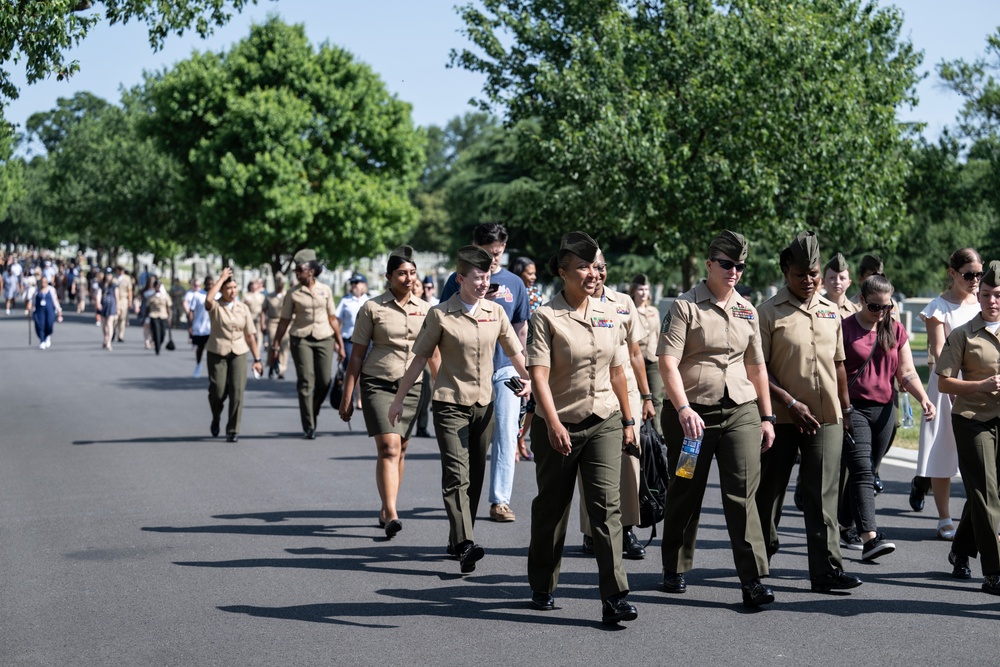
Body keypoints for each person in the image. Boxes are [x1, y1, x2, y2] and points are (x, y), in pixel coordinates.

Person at [389, 246, 531, 574]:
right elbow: (420, 359)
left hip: (484, 405)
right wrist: (399, 398)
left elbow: (515, 353)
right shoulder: (440, 314)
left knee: (476, 476)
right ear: (460, 279)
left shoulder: (495, 313)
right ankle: (466, 543)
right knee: (457, 475)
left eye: (487, 278)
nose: (484, 283)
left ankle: (456, 537)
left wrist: (530, 380)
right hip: (449, 404)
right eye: (478, 278)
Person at [657, 230, 776, 608]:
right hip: (692, 417)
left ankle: (753, 580)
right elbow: (667, 362)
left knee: (742, 495)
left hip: (739, 411)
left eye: (739, 266)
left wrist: (767, 416)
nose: (734, 271)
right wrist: (682, 409)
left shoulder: (747, 309)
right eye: (726, 264)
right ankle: (674, 566)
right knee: (686, 490)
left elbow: (757, 366)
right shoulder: (685, 307)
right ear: (709, 264)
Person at [525, 231, 638, 625]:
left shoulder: (611, 312)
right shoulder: (546, 317)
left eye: (595, 266)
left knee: (606, 509)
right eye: (583, 267)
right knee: (552, 509)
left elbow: (618, 371)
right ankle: (542, 582)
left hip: (603, 419)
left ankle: (615, 596)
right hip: (558, 424)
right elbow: (538, 375)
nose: (592, 274)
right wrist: (552, 420)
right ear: (563, 272)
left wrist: (627, 421)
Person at [754, 232, 862, 593]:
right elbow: (758, 370)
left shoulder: (831, 310)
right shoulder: (767, 313)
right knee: (769, 493)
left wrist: (845, 409)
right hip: (781, 418)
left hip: (825, 416)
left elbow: (839, 364)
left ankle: (826, 570)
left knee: (822, 494)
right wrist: (788, 403)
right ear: (786, 270)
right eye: (801, 274)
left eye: (814, 273)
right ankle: (758, 560)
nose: (809, 281)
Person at [339, 246, 434, 538]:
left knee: (402, 448)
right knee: (389, 447)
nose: (408, 279)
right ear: (389, 277)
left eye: (412, 273)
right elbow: (356, 356)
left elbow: (434, 353)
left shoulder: (427, 309)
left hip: (413, 386)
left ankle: (386, 506)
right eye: (402, 273)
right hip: (377, 382)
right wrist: (347, 395)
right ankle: (392, 513)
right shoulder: (372, 308)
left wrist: (443, 387)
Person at [841, 273, 937, 558]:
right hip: (852, 408)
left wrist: (924, 399)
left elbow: (906, 372)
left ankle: (842, 523)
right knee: (861, 472)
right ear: (861, 300)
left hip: (885, 410)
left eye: (886, 307)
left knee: (866, 470)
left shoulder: (894, 330)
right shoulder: (844, 329)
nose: (881, 313)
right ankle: (870, 538)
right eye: (874, 307)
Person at [439, 222, 530, 524]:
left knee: (506, 434)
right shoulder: (458, 279)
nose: (494, 260)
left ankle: (500, 502)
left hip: (504, 369)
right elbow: (443, 322)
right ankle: (464, 496)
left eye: (499, 253)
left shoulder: (515, 283)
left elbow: (520, 326)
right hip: (466, 373)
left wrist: (524, 367)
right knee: (469, 445)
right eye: (489, 253)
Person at [578, 255, 655, 560]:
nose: (599, 272)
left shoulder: (623, 302)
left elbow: (636, 353)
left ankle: (626, 530)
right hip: (591, 394)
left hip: (627, 394)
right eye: (592, 266)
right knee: (593, 465)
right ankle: (590, 532)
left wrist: (648, 397)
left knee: (629, 463)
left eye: (603, 266)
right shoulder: (574, 303)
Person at [937, 260, 1000, 595]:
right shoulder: (963, 334)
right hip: (972, 420)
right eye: (987, 294)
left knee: (993, 494)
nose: (992, 301)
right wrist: (980, 386)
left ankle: (961, 549)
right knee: (984, 492)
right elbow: (944, 382)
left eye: (998, 295)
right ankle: (994, 572)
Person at [911, 248, 984, 540]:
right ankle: (944, 517)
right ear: (952, 273)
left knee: (982, 456)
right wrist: (954, 387)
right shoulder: (938, 307)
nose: (975, 280)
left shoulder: (986, 303)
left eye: (979, 275)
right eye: (969, 275)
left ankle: (982, 517)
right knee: (942, 452)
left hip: (983, 384)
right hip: (947, 384)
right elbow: (940, 351)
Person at [268, 249, 346, 439]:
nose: (296, 273)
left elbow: (332, 318)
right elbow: (284, 321)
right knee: (305, 380)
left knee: (324, 381)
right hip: (301, 338)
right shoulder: (293, 293)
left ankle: (312, 408)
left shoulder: (325, 290)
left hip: (324, 338)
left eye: (299, 270)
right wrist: (275, 345)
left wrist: (340, 343)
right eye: (295, 271)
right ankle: (308, 425)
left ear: (310, 271)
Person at [203, 267, 263, 442]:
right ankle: (216, 417)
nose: (232, 291)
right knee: (218, 391)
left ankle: (232, 430)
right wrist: (221, 278)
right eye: (228, 288)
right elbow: (208, 299)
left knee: (237, 391)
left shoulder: (243, 308)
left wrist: (257, 359)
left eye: (235, 288)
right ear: (221, 289)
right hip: (217, 351)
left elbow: (250, 335)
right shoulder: (216, 306)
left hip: (239, 351)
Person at [511, 256, 542, 460]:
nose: (533, 277)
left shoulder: (536, 295)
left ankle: (521, 438)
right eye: (529, 273)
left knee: (531, 403)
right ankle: (511, 441)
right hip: (511, 352)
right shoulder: (509, 291)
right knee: (515, 398)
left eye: (534, 273)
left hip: (532, 351)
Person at [630, 273, 664, 436]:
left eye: (646, 289)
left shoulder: (653, 311)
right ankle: (636, 431)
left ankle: (657, 433)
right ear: (634, 291)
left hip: (652, 359)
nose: (644, 293)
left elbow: (657, 334)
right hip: (636, 359)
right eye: (640, 289)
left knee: (656, 398)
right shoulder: (630, 310)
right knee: (635, 398)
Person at [336, 272, 371, 410]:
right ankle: (350, 397)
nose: (354, 286)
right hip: (349, 340)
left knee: (365, 370)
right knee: (353, 368)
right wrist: (337, 343)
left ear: (364, 285)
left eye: (357, 283)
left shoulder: (370, 301)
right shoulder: (345, 300)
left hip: (367, 341)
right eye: (352, 283)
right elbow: (336, 321)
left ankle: (360, 398)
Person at [264, 274, 290, 379]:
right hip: (272, 321)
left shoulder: (287, 295)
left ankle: (281, 369)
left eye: (281, 284)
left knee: (284, 346)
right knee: (272, 345)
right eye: (278, 284)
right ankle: (271, 364)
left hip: (284, 321)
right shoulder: (270, 296)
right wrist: (262, 323)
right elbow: (263, 310)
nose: (279, 286)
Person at [188, 276, 214, 378]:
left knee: (212, 350)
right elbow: (191, 311)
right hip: (200, 327)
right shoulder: (198, 295)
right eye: (208, 284)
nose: (210, 286)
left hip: (212, 328)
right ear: (205, 284)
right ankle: (198, 365)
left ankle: (211, 369)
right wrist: (190, 325)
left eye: (211, 284)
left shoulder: (217, 295)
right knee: (200, 348)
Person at [30, 275, 62, 349]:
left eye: (45, 282)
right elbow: (33, 301)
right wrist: (30, 309)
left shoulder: (51, 289)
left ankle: (47, 336)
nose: (44, 283)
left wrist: (59, 310)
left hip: (49, 310)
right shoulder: (36, 290)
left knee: (49, 324)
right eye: (42, 282)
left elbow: (55, 300)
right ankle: (42, 340)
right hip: (39, 311)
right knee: (40, 325)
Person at [144, 277, 172, 355]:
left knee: (162, 332)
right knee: (156, 331)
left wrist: (169, 316)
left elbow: (168, 307)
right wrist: (145, 317)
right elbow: (148, 307)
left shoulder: (165, 296)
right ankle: (157, 346)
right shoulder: (152, 296)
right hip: (154, 315)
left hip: (163, 315)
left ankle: (160, 342)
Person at [95, 268, 119, 350]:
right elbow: (99, 294)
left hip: (111, 305)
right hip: (104, 305)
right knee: (104, 325)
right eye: (107, 274)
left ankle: (109, 342)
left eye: (110, 274)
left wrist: (117, 308)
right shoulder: (101, 284)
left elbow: (117, 297)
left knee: (109, 323)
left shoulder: (114, 285)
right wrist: (98, 303)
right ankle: (105, 337)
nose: (109, 276)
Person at [243, 279, 266, 359]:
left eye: (255, 284)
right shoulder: (246, 295)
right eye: (252, 284)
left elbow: (264, 308)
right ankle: (248, 348)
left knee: (258, 335)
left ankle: (257, 351)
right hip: (249, 317)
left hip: (258, 317)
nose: (254, 286)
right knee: (249, 334)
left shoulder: (261, 296)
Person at [114, 266, 133, 343]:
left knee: (122, 318)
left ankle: (120, 335)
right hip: (115, 299)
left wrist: (130, 301)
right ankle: (113, 331)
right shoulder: (114, 278)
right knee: (114, 317)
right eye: (120, 270)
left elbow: (129, 290)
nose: (121, 271)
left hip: (123, 299)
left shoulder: (127, 278)